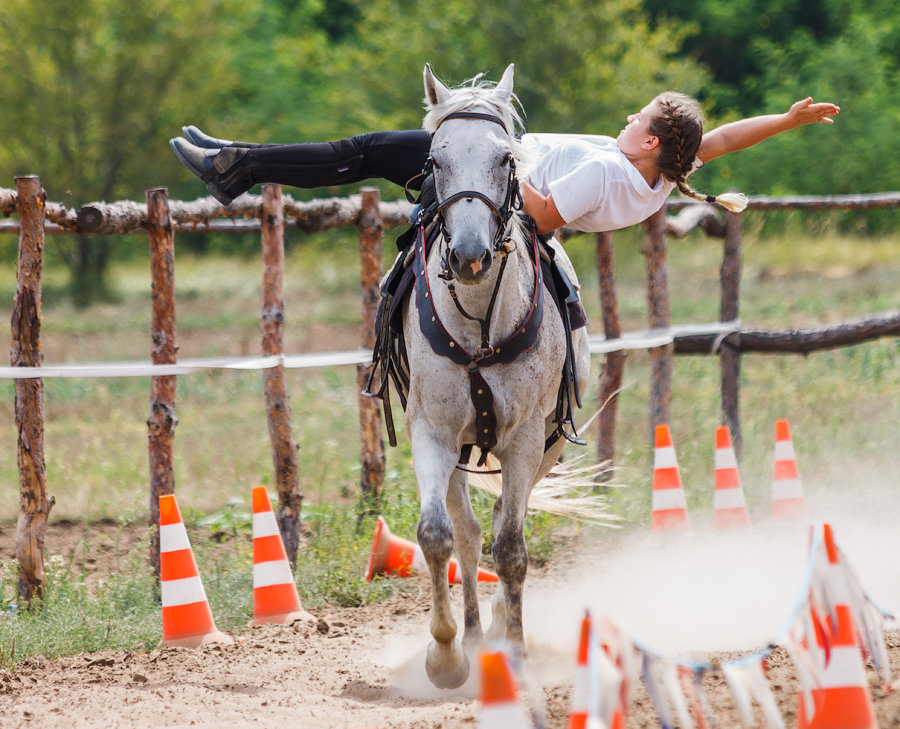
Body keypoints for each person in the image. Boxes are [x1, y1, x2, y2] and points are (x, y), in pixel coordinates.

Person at [170, 92, 839, 235]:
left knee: (367, 151)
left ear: (652, 143)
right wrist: (782, 121)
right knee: (369, 152)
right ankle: (238, 163)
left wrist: (489, 162)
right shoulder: (654, 174)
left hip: (488, 184)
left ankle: (235, 167)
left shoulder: (607, 173)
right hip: (492, 175)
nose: (624, 121)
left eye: (636, 119)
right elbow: (715, 141)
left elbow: (541, 218)